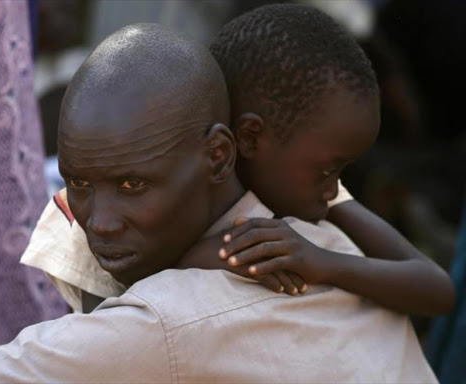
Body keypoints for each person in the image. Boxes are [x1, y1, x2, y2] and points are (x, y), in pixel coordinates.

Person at [0, 23, 437, 383]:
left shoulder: (169, 319)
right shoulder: (330, 235)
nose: (96, 223)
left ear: (221, 155)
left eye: (132, 186)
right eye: (77, 182)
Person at [22, 4, 453, 316]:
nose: (333, 186)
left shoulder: (327, 197)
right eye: (326, 170)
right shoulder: (125, 202)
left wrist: (325, 263)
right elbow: (112, 321)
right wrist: (203, 258)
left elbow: (436, 291)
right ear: (241, 142)